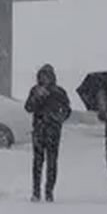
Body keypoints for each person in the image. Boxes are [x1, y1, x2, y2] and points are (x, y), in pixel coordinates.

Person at [24, 64, 71, 202]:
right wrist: (36, 98)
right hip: (39, 129)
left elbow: (67, 110)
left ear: (52, 77)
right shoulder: (35, 90)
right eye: (42, 76)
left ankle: (49, 191)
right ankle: (36, 191)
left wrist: (59, 119)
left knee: (52, 162)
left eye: (47, 76)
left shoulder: (59, 92)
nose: (44, 79)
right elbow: (28, 108)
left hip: (53, 131)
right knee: (37, 162)